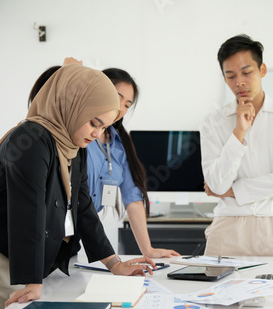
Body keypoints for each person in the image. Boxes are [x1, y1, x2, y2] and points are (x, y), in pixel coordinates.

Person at [0, 64, 156, 309]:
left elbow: (82, 206)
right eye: (94, 123)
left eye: (104, 126)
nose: (98, 134)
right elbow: (28, 210)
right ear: (73, 106)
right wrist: (32, 279)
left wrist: (114, 263)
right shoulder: (31, 139)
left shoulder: (74, 144)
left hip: (23, 255)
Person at [29, 58, 179, 258]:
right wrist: (70, 72)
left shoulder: (120, 145)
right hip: (47, 228)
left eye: (128, 104)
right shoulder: (75, 133)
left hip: (77, 235)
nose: (121, 109)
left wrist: (148, 250)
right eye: (118, 97)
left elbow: (133, 199)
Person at [200, 34, 273, 257]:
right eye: (230, 76)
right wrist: (239, 132)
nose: (239, 82)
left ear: (262, 70)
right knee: (215, 292)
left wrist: (233, 191)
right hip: (227, 229)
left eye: (247, 72)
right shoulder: (214, 122)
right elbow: (217, 184)